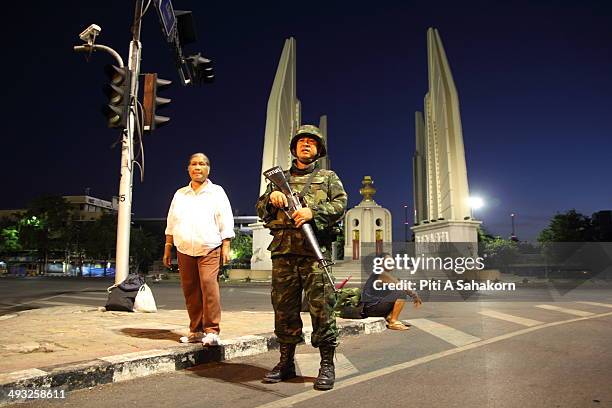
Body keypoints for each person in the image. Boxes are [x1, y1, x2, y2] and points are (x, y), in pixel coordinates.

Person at [256, 124, 347, 391]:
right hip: (284, 253)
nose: (306, 144)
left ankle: (326, 365)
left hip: (314, 253)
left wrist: (312, 212)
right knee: (284, 310)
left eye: (312, 142)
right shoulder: (278, 179)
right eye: (302, 141)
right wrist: (271, 199)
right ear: (294, 148)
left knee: (322, 310)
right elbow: (261, 209)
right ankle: (286, 363)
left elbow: (341, 204)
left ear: (318, 150)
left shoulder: (328, 177)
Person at [163, 153, 234, 346]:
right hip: (184, 248)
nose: (197, 167)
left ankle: (211, 330)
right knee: (190, 289)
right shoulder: (180, 194)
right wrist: (168, 247)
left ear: (208, 169)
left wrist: (226, 244)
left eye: (202, 164)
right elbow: (172, 221)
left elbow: (225, 218)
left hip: (209, 247)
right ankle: (195, 330)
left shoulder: (217, 192)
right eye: (194, 164)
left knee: (208, 285)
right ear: (188, 168)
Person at [360, 253, 422, 330]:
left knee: (396, 291)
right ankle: (393, 322)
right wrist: (415, 296)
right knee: (400, 292)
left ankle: (390, 317)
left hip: (370, 308)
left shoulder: (382, 273)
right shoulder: (381, 273)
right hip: (371, 309)